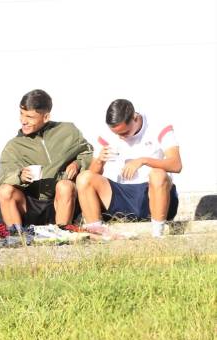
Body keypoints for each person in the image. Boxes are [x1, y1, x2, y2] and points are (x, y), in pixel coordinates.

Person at [76, 99, 182, 238]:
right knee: (83, 177)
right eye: (117, 134)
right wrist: (100, 161)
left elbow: (176, 164)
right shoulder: (107, 134)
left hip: (153, 194)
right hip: (122, 193)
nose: (121, 137)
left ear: (135, 118)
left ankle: (157, 235)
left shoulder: (158, 126)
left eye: (125, 132)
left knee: (157, 174)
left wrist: (143, 160)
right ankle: (98, 234)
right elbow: (91, 178)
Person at [0, 89, 92, 229]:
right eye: (21, 114)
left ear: (46, 117)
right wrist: (19, 176)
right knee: (5, 190)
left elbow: (87, 153)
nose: (23, 121)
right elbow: (3, 178)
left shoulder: (68, 131)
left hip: (61, 200)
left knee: (65, 186)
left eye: (30, 116)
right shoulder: (14, 146)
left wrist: (77, 164)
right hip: (30, 204)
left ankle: (62, 233)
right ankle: (16, 236)